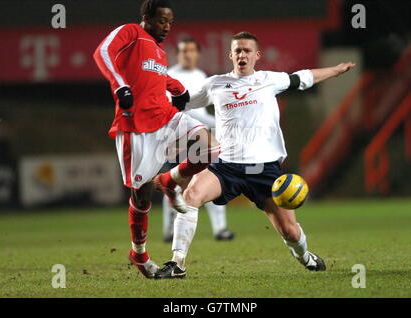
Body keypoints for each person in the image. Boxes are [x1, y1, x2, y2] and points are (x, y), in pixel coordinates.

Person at [154, 31, 355, 279]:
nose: (242, 54)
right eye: (237, 50)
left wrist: (335, 70)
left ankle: (305, 256)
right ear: (231, 55)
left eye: (247, 50)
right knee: (191, 195)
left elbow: (303, 77)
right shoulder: (215, 84)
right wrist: (149, 97)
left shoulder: (270, 80)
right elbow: (181, 103)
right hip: (225, 166)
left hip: (264, 170)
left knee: (290, 232)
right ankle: (177, 263)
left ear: (256, 55)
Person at [93, 0, 219, 279]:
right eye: (162, 20)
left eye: (170, 22)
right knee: (140, 195)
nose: (166, 27)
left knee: (208, 147)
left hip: (166, 116)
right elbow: (101, 52)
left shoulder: (158, 49)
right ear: (146, 17)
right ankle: (138, 252)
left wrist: (179, 89)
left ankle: (170, 179)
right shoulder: (130, 33)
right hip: (135, 127)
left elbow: (155, 77)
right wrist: (120, 85)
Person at [163, 37, 234, 242]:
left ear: (197, 54)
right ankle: (169, 230)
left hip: (199, 136)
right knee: (175, 184)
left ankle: (220, 229)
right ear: (178, 54)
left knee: (211, 178)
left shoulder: (201, 75)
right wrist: (216, 122)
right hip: (177, 136)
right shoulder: (171, 76)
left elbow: (199, 109)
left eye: (192, 50)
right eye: (184, 51)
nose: (188, 54)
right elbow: (179, 110)